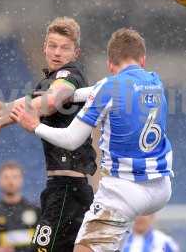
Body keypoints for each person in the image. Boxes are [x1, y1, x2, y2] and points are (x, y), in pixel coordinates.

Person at [12, 27, 174, 252]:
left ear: (110, 64)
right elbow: (92, 92)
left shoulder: (107, 87)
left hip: (125, 190)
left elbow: (70, 139)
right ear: (143, 60)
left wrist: (36, 126)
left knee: (84, 249)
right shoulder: (156, 82)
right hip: (161, 187)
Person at [0, 17, 97, 252]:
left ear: (75, 53)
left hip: (67, 190)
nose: (57, 53)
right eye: (53, 46)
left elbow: (50, 103)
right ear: (44, 48)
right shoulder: (46, 83)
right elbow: (3, 109)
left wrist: (2, 121)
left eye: (65, 47)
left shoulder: (69, 76)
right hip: (64, 189)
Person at [0, 161, 40, 252]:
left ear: (21, 180)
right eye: (6, 177)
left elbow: (46, 242)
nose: (10, 181)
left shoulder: (35, 209)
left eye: (15, 177)